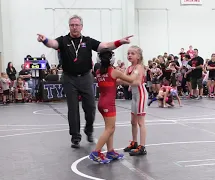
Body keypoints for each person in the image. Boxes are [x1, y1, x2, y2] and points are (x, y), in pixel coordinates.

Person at [37, 14, 133, 148]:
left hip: (86, 77)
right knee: (73, 108)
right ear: (69, 26)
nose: (74, 27)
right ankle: (75, 136)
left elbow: (105, 46)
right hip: (69, 78)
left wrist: (120, 42)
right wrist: (45, 39)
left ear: (81, 27)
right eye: (72, 25)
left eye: (77, 25)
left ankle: (89, 130)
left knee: (90, 107)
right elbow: (53, 43)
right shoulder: (64, 40)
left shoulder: (87, 41)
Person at [88, 48, 140, 164]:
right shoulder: (113, 71)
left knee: (110, 128)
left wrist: (121, 78)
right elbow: (131, 79)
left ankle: (110, 151)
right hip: (108, 104)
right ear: (112, 59)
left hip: (102, 102)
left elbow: (112, 82)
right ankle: (96, 152)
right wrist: (136, 70)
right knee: (109, 128)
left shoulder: (98, 71)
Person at [119, 46, 148, 156]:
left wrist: (125, 81)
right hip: (135, 95)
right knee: (133, 121)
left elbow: (136, 82)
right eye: (128, 53)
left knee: (140, 122)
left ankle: (142, 146)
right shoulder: (129, 68)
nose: (129, 55)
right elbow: (123, 79)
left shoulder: (139, 67)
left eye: (132, 53)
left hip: (141, 94)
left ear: (139, 56)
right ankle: (135, 143)